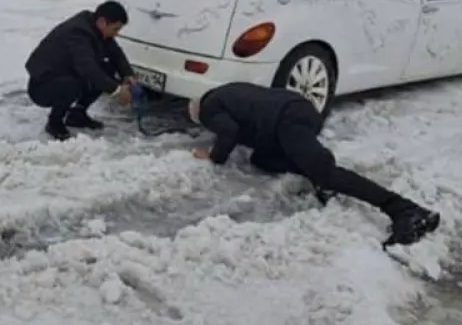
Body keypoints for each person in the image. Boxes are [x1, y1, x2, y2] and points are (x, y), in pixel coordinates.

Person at [187, 82, 440, 246]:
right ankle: (317, 169)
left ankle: (406, 210)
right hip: (298, 110)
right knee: (261, 159)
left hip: (288, 120)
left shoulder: (209, 107)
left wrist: (213, 155)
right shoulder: (229, 91)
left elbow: (228, 131)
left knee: (326, 173)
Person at [24, 1, 136, 141]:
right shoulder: (78, 33)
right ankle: (54, 122)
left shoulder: (96, 26)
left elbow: (115, 53)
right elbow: (88, 69)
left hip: (66, 73)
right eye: (115, 29)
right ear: (102, 22)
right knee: (74, 84)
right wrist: (117, 91)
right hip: (42, 86)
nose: (116, 34)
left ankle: (77, 114)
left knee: (107, 69)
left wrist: (127, 74)